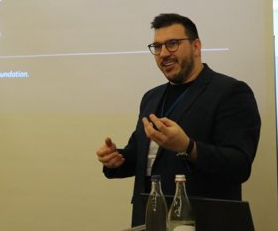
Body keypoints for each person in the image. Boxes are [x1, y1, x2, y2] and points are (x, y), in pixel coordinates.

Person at [96, 13, 261, 226]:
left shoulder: (230, 92)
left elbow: (239, 165)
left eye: (172, 44)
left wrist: (188, 147)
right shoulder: (151, 97)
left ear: (196, 47)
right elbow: (145, 157)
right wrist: (117, 159)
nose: (164, 53)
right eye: (157, 46)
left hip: (202, 221)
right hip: (150, 219)